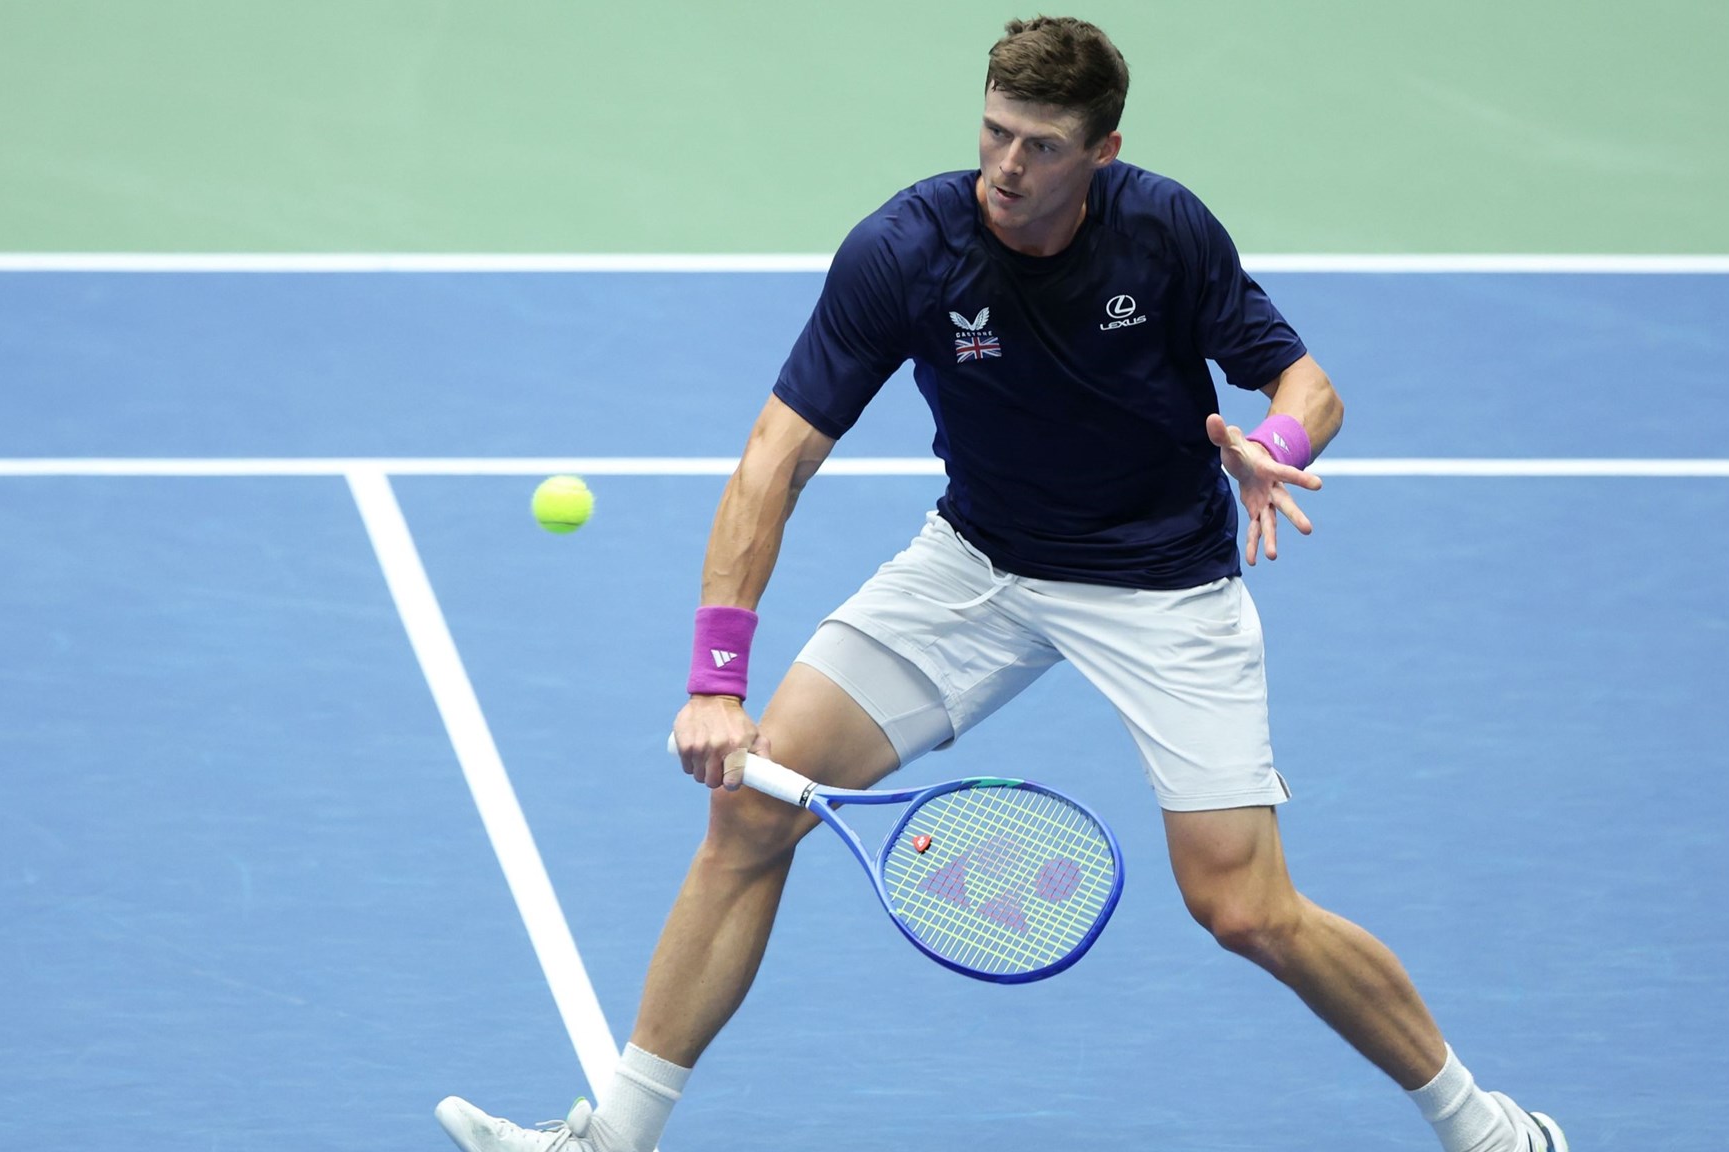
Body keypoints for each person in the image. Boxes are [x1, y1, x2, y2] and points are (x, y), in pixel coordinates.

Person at [436, 16, 1565, 1152]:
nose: (1005, 169)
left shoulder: (1164, 232)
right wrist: (714, 680)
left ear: (1100, 154)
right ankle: (613, 1138)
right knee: (753, 802)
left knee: (1243, 910)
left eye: (1038, 147)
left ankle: (1486, 1128)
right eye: (992, 133)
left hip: (1160, 586)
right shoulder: (907, 248)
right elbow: (774, 457)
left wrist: (1277, 442)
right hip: (977, 566)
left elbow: (1305, 381)